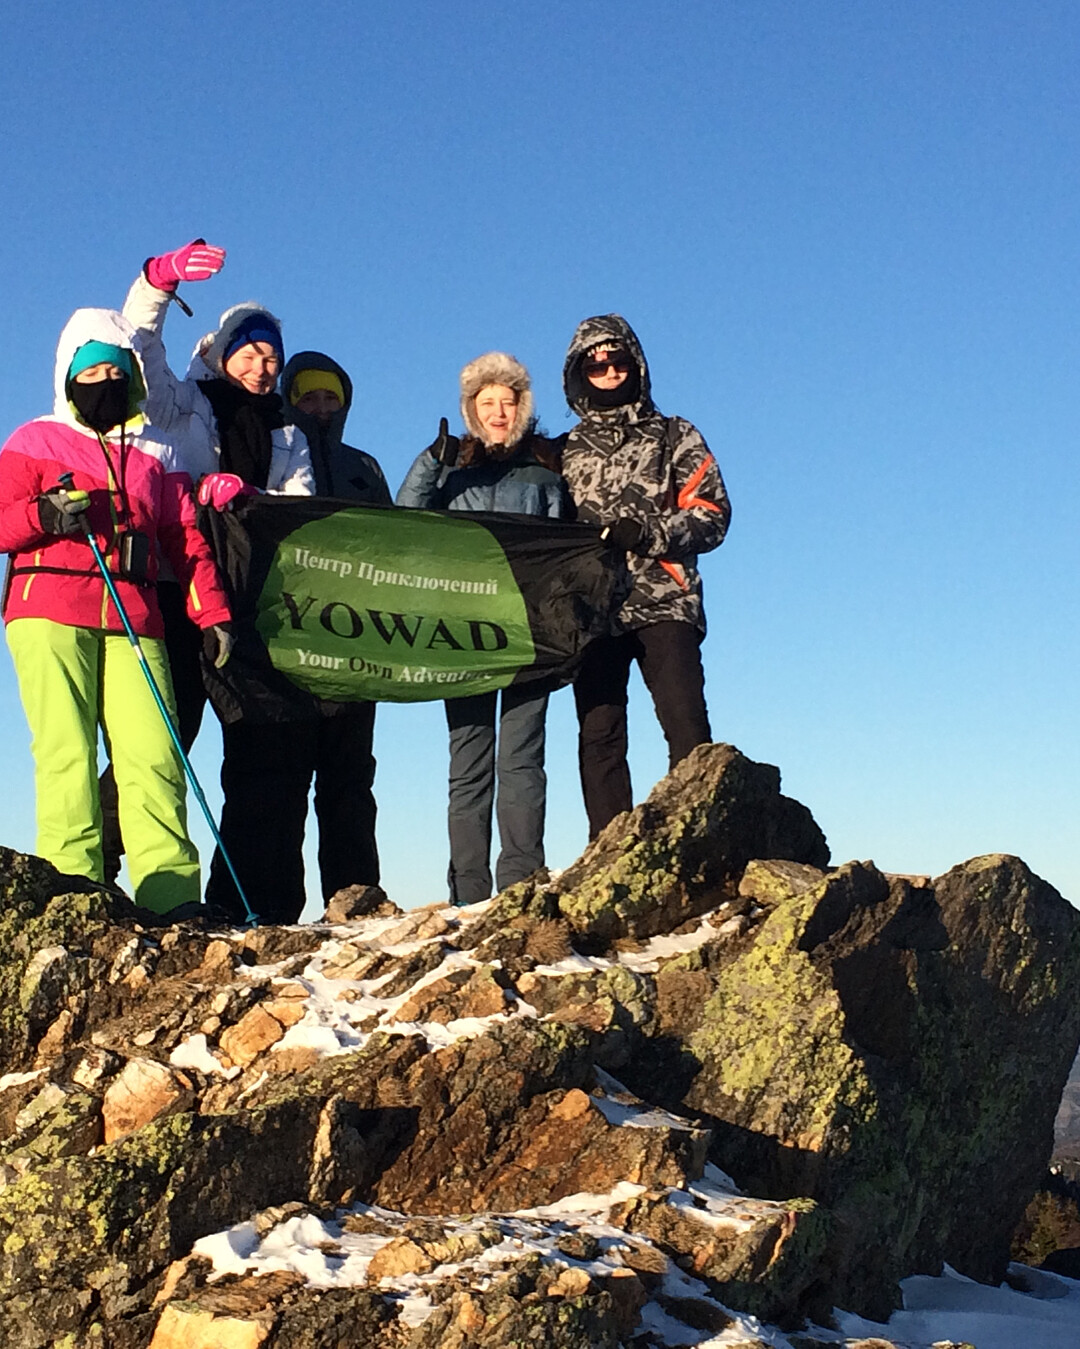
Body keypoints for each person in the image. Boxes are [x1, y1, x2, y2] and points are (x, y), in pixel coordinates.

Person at [0, 305, 232, 913]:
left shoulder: (155, 455)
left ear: (134, 378)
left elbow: (185, 540)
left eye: (115, 372)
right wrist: (44, 515)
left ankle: (170, 895)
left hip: (134, 613)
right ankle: (74, 886)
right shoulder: (33, 440)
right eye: (91, 373)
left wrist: (211, 615)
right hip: (48, 608)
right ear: (67, 378)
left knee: (154, 752)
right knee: (66, 750)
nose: (104, 384)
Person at [122, 242, 317, 923]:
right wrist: (157, 283)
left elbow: (299, 509)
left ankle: (243, 904)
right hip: (176, 591)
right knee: (163, 739)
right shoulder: (183, 404)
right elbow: (138, 352)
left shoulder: (286, 434)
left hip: (249, 606)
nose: (262, 367)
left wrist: (253, 498)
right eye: (250, 353)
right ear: (222, 353)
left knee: (258, 758)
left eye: (272, 358)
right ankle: (105, 879)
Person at [397, 352, 570, 904]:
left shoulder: (544, 471)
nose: (498, 412)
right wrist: (431, 460)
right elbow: (406, 517)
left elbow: (565, 547)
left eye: (508, 401)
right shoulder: (450, 471)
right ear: (471, 408)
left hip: (529, 632)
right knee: (468, 761)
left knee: (523, 759)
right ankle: (468, 891)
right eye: (487, 402)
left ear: (523, 406)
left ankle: (521, 881)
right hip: (464, 632)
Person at [560, 314, 731, 839]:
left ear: (636, 364)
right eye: (596, 365)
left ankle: (698, 841)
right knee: (600, 735)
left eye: (618, 361)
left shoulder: (675, 434)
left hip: (664, 601)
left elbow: (713, 515)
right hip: (593, 611)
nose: (609, 372)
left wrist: (649, 533)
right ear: (579, 374)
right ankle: (611, 852)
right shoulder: (562, 450)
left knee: (686, 723)